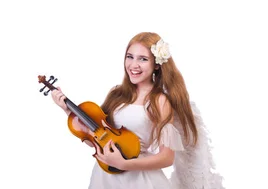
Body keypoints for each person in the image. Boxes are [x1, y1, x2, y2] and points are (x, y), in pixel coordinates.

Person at [50, 32, 225, 189]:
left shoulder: (159, 101)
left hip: (140, 180)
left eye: (143, 59)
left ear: (157, 64)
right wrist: (68, 111)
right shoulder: (116, 94)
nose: (134, 64)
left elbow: (167, 158)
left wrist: (124, 164)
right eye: (130, 56)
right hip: (104, 177)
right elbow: (97, 141)